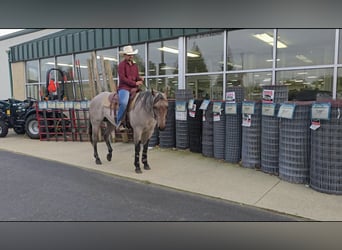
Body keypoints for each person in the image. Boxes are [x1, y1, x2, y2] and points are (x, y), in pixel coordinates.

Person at [116, 45, 144, 130]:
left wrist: (140, 79)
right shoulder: (121, 65)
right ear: (124, 55)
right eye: (129, 55)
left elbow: (136, 76)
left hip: (134, 88)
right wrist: (135, 83)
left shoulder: (135, 65)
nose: (131, 56)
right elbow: (123, 79)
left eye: (132, 54)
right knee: (124, 103)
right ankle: (119, 122)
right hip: (124, 88)